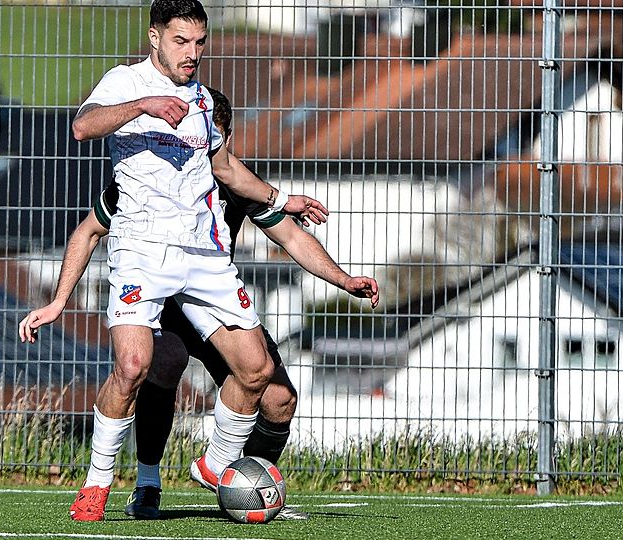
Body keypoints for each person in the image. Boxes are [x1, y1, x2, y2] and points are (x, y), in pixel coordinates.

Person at [19, 88, 379, 520]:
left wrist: (343, 279)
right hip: (167, 305)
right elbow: (87, 231)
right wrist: (60, 300)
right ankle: (147, 482)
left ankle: (241, 484)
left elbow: (292, 237)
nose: (204, 149)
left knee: (280, 398)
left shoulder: (238, 183)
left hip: (214, 301)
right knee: (161, 362)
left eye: (214, 140)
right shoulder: (150, 178)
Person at [55, 0, 328, 522]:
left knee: (257, 369)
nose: (192, 53)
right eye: (182, 41)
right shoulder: (125, 81)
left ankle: (216, 464)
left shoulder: (202, 100)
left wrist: (281, 199)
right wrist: (145, 105)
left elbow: (226, 168)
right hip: (142, 251)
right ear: (155, 37)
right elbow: (84, 126)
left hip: (203, 255)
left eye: (200, 43)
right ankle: (97, 484)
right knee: (133, 366)